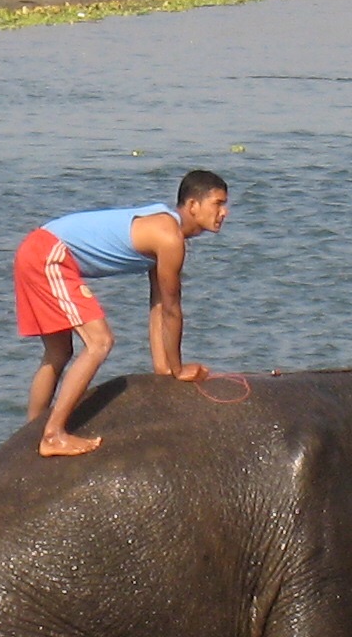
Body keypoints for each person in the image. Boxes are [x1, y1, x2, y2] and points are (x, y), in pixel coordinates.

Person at [13, 170, 230, 457]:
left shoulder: (163, 225)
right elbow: (172, 309)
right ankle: (52, 435)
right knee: (100, 342)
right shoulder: (169, 238)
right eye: (217, 203)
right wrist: (179, 371)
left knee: (58, 352)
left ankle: (32, 432)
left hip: (37, 249)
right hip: (48, 254)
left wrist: (163, 367)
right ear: (192, 206)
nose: (224, 212)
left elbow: (158, 303)